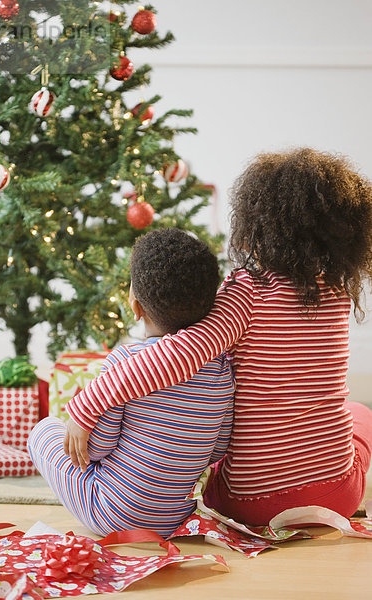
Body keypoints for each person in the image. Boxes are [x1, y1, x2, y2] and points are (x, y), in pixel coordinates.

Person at [65, 148, 372, 526]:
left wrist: (87, 406)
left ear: (256, 223)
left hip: (250, 503)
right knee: (361, 413)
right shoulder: (337, 292)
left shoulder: (248, 291)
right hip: (336, 497)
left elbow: (174, 354)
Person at [28, 228, 234, 536]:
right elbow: (218, 449)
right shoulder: (220, 372)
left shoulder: (125, 363)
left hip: (110, 516)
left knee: (42, 431)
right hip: (172, 519)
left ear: (135, 306)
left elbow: (96, 449)